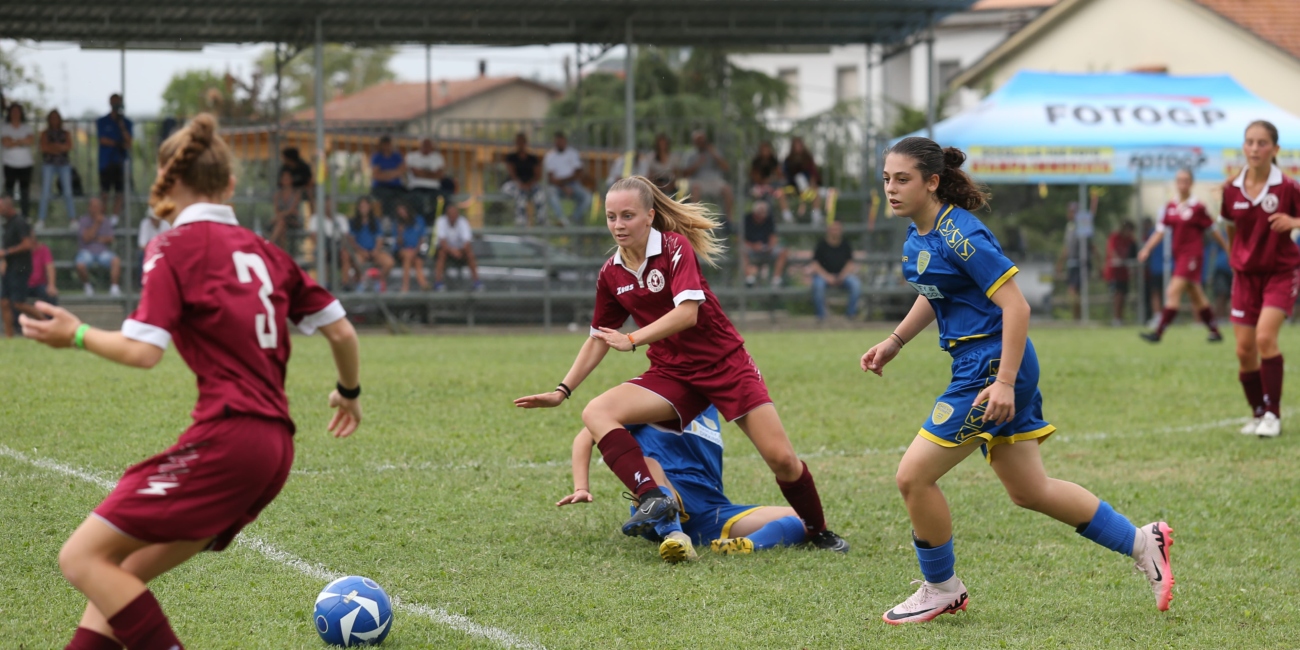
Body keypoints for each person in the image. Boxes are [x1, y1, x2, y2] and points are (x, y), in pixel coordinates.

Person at [20, 114, 363, 650]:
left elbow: (142, 351)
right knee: (119, 575)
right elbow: (341, 331)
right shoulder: (270, 254)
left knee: (81, 557)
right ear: (229, 184)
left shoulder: (174, 247)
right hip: (274, 450)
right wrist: (349, 393)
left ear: (167, 181)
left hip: (229, 440)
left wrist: (78, 333)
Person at [862, 137, 1173, 624]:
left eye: (902, 179)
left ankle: (941, 588)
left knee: (913, 476)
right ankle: (1142, 541)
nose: (891, 188)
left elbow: (1017, 306)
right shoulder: (919, 234)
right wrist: (896, 342)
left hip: (989, 369)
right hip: (986, 366)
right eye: (886, 179)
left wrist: (1004, 382)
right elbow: (936, 290)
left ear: (932, 182)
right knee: (1029, 489)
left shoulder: (962, 233)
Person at [514, 175, 847, 553]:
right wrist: (562, 391)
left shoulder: (674, 247)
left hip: (724, 364)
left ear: (650, 216)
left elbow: (687, 313)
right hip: (673, 373)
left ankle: (818, 530)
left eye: (627, 216)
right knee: (597, 412)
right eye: (611, 217)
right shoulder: (611, 272)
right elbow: (598, 337)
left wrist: (633, 338)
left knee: (783, 460)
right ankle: (654, 497)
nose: (618, 225)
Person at [557, 406, 807, 563]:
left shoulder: (711, 404)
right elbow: (586, 435)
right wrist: (581, 487)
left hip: (711, 508)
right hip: (662, 491)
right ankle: (674, 534)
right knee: (648, 462)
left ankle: (744, 547)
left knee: (804, 517)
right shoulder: (652, 399)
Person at [1221, 120, 1300, 438]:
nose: (1255, 148)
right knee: (1244, 350)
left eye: (1262, 143)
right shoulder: (1231, 188)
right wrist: (1235, 256)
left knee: (1265, 338)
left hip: (1280, 273)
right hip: (1245, 276)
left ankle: (1273, 415)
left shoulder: (1289, 187)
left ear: (1275, 149)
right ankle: (1257, 413)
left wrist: (1294, 221)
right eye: (1249, 142)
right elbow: (1228, 225)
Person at [1138, 169, 1229, 342]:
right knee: (1197, 295)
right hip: (1179, 257)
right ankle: (1215, 332)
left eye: (1186, 180)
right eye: (1179, 180)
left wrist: (1226, 247)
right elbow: (1160, 231)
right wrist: (1147, 248)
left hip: (1192, 256)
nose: (1182, 184)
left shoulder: (1198, 207)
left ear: (1191, 183)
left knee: (1172, 291)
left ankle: (1158, 333)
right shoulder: (1171, 206)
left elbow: (1212, 230)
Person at [1057, 196, 1100, 321]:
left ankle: (1079, 317)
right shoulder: (1069, 227)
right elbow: (1067, 247)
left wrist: (1094, 202)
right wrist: (1060, 263)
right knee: (1074, 292)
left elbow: (1091, 217)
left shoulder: (1082, 225)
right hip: (1071, 263)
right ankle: (1077, 317)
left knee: (1074, 291)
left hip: (1081, 263)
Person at [1, 195, 38, 338]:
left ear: (7, 207)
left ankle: (46, 323)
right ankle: (9, 338)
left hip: (21, 268)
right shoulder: (8, 224)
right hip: (10, 267)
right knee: (4, 302)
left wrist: (6, 252)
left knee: (18, 303)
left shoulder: (20, 222)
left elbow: (28, 244)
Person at [811, 221, 860, 322]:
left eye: (837, 229)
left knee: (856, 284)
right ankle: (821, 317)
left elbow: (850, 263)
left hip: (842, 276)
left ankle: (850, 315)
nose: (835, 232)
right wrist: (827, 277)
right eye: (833, 229)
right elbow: (815, 265)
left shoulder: (845, 244)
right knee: (818, 285)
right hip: (824, 276)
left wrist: (842, 276)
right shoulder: (821, 244)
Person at [681, 131, 734, 220]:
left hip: (715, 181)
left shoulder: (714, 151)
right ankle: (696, 219)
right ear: (694, 142)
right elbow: (684, 174)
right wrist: (697, 164)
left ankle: (729, 220)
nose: (701, 143)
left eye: (703, 140)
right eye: (699, 141)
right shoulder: (690, 154)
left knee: (727, 189)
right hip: (698, 181)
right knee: (695, 189)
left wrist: (714, 154)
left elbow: (726, 168)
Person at [75, 197, 122, 297]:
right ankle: (87, 287)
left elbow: (110, 238)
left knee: (116, 260)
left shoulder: (106, 220)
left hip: (102, 252)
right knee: (80, 265)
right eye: (92, 206)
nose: (95, 209)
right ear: (89, 208)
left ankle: (114, 288)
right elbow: (86, 238)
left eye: (97, 206)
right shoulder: (83, 220)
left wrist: (95, 238)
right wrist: (96, 224)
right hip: (86, 251)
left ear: (101, 208)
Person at [38, 109, 77, 227]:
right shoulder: (45, 133)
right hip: (48, 164)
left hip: (64, 164)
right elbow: (44, 148)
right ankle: (41, 220)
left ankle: (73, 219)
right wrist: (59, 147)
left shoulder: (65, 133)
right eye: (52, 117)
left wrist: (53, 147)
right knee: (45, 192)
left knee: (68, 192)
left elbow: (69, 146)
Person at [348, 196, 395, 293]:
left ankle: (378, 280)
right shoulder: (353, 222)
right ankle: (361, 284)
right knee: (357, 261)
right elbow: (352, 241)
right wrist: (361, 251)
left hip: (374, 251)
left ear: (369, 207)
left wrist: (376, 250)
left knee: (389, 262)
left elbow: (379, 238)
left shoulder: (376, 221)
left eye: (365, 206)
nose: (363, 208)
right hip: (360, 251)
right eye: (361, 206)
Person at [544, 131, 592, 226]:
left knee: (587, 197)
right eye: (558, 142)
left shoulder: (573, 153)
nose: (560, 144)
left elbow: (578, 173)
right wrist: (563, 186)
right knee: (550, 194)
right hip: (557, 187)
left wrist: (565, 182)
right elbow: (551, 178)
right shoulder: (550, 156)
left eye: (561, 141)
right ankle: (562, 219)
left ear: (565, 141)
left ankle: (573, 219)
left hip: (573, 185)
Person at [97, 94, 134, 218]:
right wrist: (117, 143)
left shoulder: (126, 122)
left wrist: (122, 126)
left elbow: (128, 143)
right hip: (106, 162)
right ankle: (102, 218)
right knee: (105, 192)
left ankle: (114, 219)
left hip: (121, 162)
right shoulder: (102, 121)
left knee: (120, 191)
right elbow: (102, 139)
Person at [306, 198, 354, 290]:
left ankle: (345, 284)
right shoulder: (315, 218)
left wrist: (342, 247)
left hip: (337, 244)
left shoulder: (341, 218)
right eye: (327, 205)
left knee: (345, 254)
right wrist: (322, 247)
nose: (329, 207)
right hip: (322, 244)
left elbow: (345, 237)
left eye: (331, 205)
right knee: (322, 253)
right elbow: (313, 237)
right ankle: (326, 283)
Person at [433, 202, 481, 292]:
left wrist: (459, 251)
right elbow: (442, 241)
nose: (453, 216)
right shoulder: (440, 221)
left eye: (455, 214)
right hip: (446, 250)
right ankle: (438, 283)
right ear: (447, 214)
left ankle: (477, 282)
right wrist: (452, 251)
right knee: (441, 253)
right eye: (451, 214)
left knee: (470, 253)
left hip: (460, 250)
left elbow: (467, 242)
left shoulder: (463, 222)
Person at [741, 201, 788, 287]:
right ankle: (749, 279)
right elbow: (740, 239)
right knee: (742, 250)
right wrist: (753, 246)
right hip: (751, 248)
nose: (762, 217)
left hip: (766, 248)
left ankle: (776, 280)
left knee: (783, 251)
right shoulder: (747, 220)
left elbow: (773, 236)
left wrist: (770, 246)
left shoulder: (768, 219)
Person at [406, 138, 455, 219]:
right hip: (416, 187)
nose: (426, 147)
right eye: (425, 145)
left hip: (434, 188)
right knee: (416, 200)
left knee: (444, 199)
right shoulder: (412, 156)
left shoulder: (438, 157)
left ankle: (433, 220)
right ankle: (420, 220)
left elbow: (440, 175)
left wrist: (422, 172)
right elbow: (415, 173)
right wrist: (432, 174)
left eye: (429, 145)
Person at [503, 132, 544, 226]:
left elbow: (538, 175)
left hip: (530, 184)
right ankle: (521, 221)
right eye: (518, 142)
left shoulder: (532, 158)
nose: (520, 144)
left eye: (522, 142)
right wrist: (521, 184)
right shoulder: (511, 157)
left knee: (540, 193)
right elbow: (512, 173)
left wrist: (529, 184)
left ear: (526, 143)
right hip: (515, 184)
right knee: (519, 193)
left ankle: (541, 219)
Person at [2, 103, 35, 218]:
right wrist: (21, 141)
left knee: (25, 193)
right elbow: (6, 143)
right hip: (10, 164)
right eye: (13, 111)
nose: (15, 113)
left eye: (18, 111)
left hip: (26, 164)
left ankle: (25, 218)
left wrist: (13, 140)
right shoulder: (4, 127)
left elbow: (30, 141)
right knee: (9, 193)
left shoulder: (27, 127)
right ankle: (8, 218)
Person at [782, 137, 823, 223]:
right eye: (796, 145)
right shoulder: (788, 160)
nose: (798, 147)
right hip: (793, 188)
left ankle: (816, 216)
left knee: (815, 192)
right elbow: (785, 175)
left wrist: (812, 185)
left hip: (807, 188)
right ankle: (788, 218)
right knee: (780, 193)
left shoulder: (808, 159)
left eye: (799, 145)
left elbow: (813, 174)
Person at [1104, 221, 1137, 326]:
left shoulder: (1130, 241)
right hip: (1114, 273)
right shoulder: (1114, 237)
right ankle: (1116, 318)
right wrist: (1118, 259)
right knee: (1117, 295)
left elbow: (1133, 253)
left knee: (1123, 296)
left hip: (1124, 273)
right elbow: (1112, 251)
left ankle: (1120, 318)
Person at [392, 203, 430, 293]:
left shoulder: (419, 220)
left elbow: (422, 239)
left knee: (418, 262)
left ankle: (424, 285)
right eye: (400, 212)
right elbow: (398, 244)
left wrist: (415, 251)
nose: (402, 214)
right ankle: (405, 286)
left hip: (416, 250)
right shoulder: (397, 224)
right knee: (408, 255)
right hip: (402, 251)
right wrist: (400, 233)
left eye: (403, 211)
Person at [750, 141, 790, 222]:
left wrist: (773, 179)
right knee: (759, 198)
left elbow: (779, 175)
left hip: (772, 187)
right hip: (759, 187)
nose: (766, 152)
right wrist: (765, 181)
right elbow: (755, 178)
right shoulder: (756, 161)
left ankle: (787, 216)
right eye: (764, 150)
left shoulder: (773, 161)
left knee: (780, 193)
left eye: (767, 149)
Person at [370, 135, 407, 218]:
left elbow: (402, 171)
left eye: (389, 144)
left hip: (396, 187)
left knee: (406, 197)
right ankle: (387, 219)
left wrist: (385, 174)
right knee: (386, 198)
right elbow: (376, 175)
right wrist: (394, 173)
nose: (387, 146)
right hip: (380, 187)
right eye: (385, 144)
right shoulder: (376, 157)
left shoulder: (397, 156)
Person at [1141, 217, 1166, 327]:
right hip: (1159, 267)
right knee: (1157, 292)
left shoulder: (1154, 233)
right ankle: (1159, 317)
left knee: (1159, 293)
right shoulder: (1166, 232)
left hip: (1162, 267)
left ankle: (1162, 316)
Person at [28, 230, 58, 307]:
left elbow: (50, 267)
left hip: (39, 284)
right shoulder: (19, 251)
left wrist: (51, 285)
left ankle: (49, 318)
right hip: (22, 284)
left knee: (51, 296)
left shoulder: (43, 249)